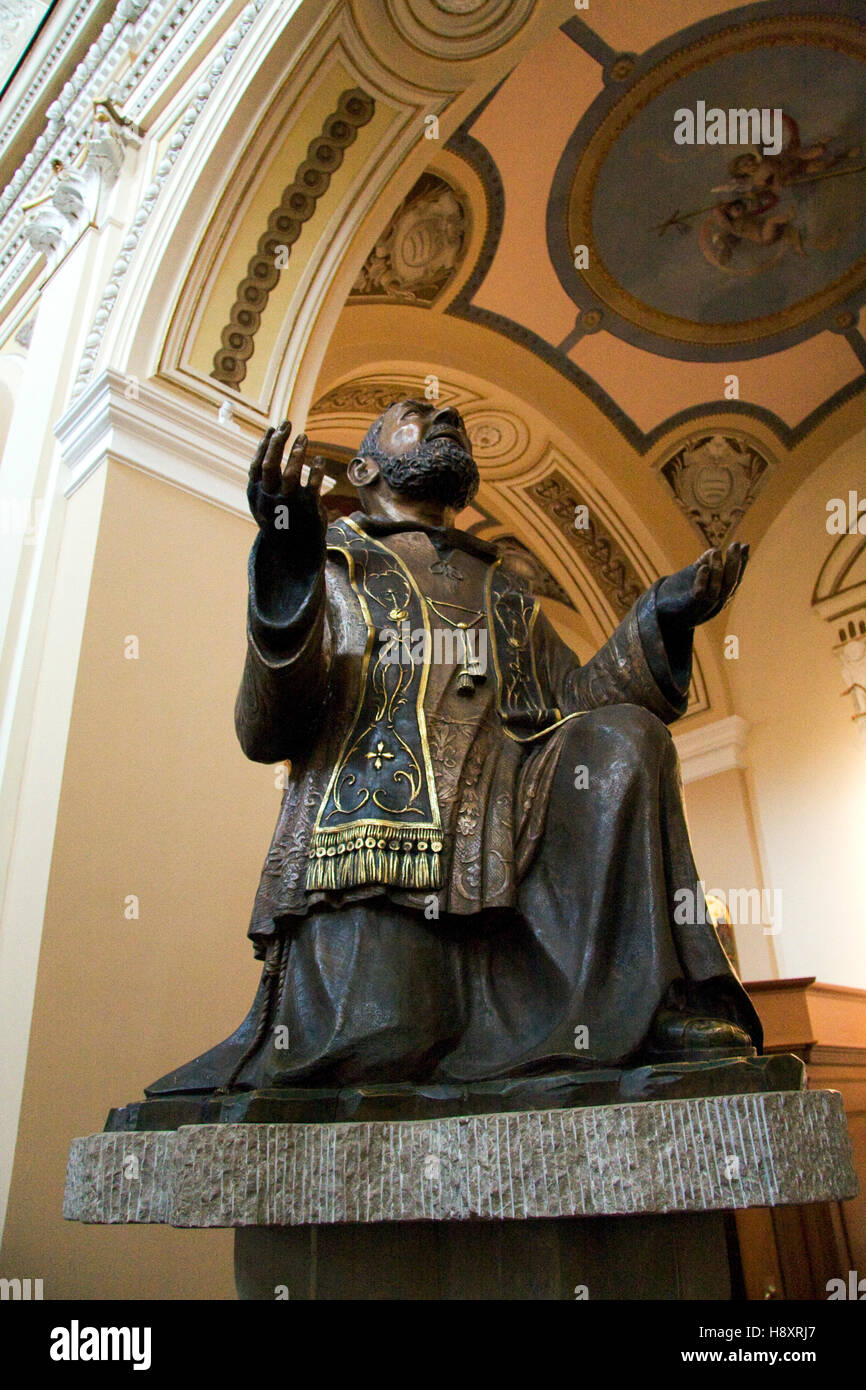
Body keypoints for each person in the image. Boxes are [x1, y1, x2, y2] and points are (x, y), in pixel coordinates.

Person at [147, 400, 760, 1097]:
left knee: (626, 738)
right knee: (388, 1044)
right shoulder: (333, 562)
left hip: (507, 832)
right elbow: (265, 731)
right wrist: (290, 561)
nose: (445, 413)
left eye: (449, 417)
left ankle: (648, 1002)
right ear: (365, 465)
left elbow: (578, 700)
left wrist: (658, 619)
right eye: (413, 414)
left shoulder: (505, 589)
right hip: (377, 851)